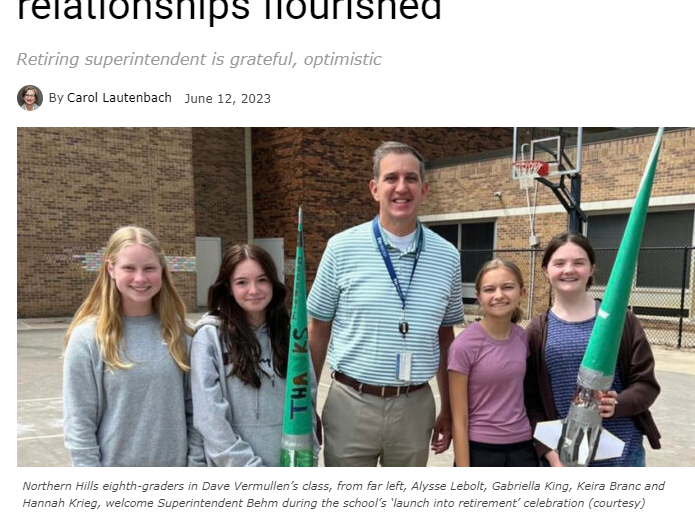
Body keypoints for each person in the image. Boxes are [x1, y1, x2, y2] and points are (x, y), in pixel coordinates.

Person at [308, 141, 464, 467]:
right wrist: (305, 403)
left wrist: (447, 408)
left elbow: (444, 337)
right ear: (374, 188)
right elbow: (317, 328)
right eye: (391, 178)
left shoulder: (447, 256)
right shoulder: (341, 248)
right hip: (351, 402)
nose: (401, 187)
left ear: (424, 189)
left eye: (411, 179)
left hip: (414, 407)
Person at [63, 226, 202, 467]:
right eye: (129, 268)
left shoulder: (183, 334)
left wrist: (196, 467)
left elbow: (197, 414)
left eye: (149, 268)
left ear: (162, 270)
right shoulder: (87, 338)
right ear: (110, 269)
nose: (140, 278)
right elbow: (79, 425)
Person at [525, 232, 661, 467]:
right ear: (546, 270)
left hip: (623, 454)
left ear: (591, 269)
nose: (569, 270)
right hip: (563, 458)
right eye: (559, 263)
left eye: (579, 263)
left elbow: (646, 384)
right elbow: (530, 400)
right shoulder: (537, 330)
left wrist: (620, 403)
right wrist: (549, 453)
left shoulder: (621, 321)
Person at [190, 244, 318, 466]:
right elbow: (210, 419)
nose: (254, 290)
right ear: (229, 287)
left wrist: (309, 455)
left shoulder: (292, 335)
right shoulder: (209, 338)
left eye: (262, 280)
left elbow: (308, 400)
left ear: (273, 283)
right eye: (242, 282)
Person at [448, 259, 537, 467]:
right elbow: (459, 419)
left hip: (522, 448)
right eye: (490, 289)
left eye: (507, 287)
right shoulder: (463, 345)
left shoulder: (523, 338)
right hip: (481, 449)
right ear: (479, 297)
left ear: (522, 293)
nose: (499, 295)